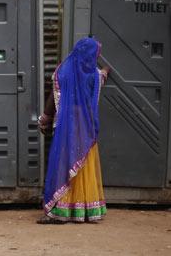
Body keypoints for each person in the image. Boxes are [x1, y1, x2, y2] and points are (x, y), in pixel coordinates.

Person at [38, 37, 109, 224]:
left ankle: (61, 211)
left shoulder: (62, 71)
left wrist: (44, 119)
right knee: (83, 167)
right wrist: (106, 70)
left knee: (64, 165)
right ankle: (85, 210)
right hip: (85, 130)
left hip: (65, 128)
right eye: (96, 54)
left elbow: (52, 98)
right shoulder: (94, 74)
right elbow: (102, 78)